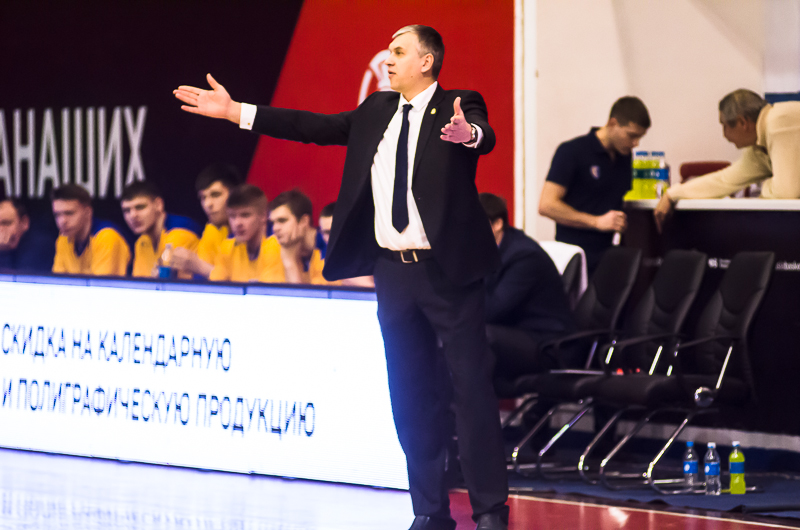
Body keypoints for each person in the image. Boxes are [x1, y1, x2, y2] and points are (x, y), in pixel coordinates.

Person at [174, 24, 509, 530]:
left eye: (399, 51)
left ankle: (489, 511)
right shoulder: (376, 110)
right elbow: (310, 125)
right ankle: (429, 511)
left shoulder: (458, 104)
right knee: (410, 394)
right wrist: (236, 111)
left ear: (427, 61)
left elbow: (484, 134)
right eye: (388, 50)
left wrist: (471, 135)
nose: (388, 59)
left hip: (448, 273)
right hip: (393, 274)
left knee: (471, 392)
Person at [654, 89, 800, 231]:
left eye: (724, 126)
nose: (724, 135)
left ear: (742, 122)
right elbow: (724, 181)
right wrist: (672, 194)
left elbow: (786, 193)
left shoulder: (778, 120)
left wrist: (765, 185)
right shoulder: (758, 146)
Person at [539, 96, 650, 274]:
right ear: (613, 123)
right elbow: (547, 205)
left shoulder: (624, 156)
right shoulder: (572, 151)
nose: (635, 143)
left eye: (640, 137)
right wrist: (596, 222)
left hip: (610, 255)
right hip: (576, 256)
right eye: (631, 135)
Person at [480, 193, 578, 379]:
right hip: (518, 332)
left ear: (497, 224)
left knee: (478, 334)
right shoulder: (491, 251)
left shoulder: (524, 256)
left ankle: (469, 398)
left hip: (548, 341)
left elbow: (493, 310)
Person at [120, 181, 202, 279]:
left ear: (158, 205)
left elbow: (172, 286)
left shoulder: (179, 234)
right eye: (127, 210)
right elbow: (141, 284)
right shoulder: (142, 242)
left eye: (140, 207)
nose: (133, 215)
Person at [173, 163, 241, 278]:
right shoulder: (212, 230)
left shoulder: (253, 233)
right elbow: (200, 280)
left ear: (235, 195)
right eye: (203, 197)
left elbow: (244, 283)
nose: (207, 204)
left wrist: (200, 266)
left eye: (215, 195)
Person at [51, 184, 130, 276]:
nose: (62, 221)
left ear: (88, 212)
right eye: (57, 215)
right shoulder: (63, 238)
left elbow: (100, 284)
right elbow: (58, 281)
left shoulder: (107, 236)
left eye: (69, 213)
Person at [262, 189, 328, 284]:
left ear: (304, 221)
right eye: (273, 223)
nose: (275, 228)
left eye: (282, 220)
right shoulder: (273, 245)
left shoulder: (327, 249)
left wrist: (290, 262)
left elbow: (310, 294)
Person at [209, 184, 273, 282]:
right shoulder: (227, 248)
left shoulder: (275, 247)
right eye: (232, 216)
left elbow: (266, 290)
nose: (237, 223)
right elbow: (216, 287)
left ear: (263, 216)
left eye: (245, 215)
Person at [318, 201, 374, 288]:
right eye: (327, 232)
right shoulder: (320, 264)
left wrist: (366, 284)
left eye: (335, 231)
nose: (332, 238)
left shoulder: (374, 258)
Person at [0, 198, 56, 273]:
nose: (1, 229)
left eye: (6, 223)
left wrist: (4, 251)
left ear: (24, 222)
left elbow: (21, 276)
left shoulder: (41, 245)